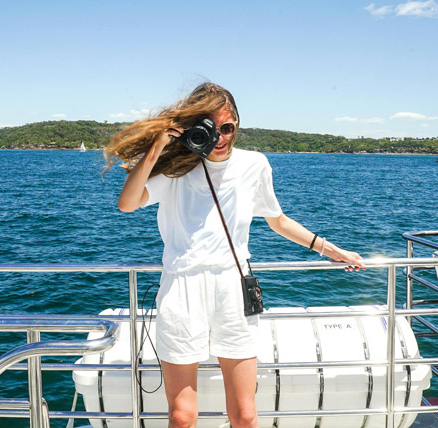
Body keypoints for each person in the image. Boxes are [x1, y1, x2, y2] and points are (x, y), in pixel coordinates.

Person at [104, 82, 366, 428]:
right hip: (183, 287)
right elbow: (127, 204)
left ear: (237, 126)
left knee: (244, 415)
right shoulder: (178, 169)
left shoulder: (254, 165)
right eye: (210, 128)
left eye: (228, 128)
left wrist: (331, 249)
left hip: (233, 287)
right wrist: (157, 147)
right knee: (182, 417)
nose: (221, 137)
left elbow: (278, 220)